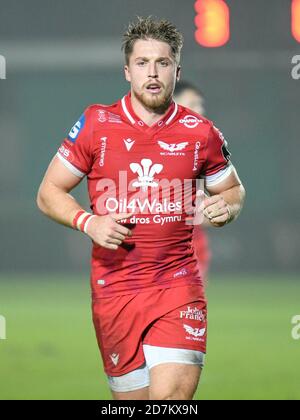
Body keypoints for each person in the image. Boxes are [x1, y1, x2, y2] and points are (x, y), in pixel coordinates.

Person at [37, 16, 245, 400]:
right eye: (143, 63)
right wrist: (89, 222)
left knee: (170, 402)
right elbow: (49, 192)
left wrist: (226, 208)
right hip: (114, 292)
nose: (153, 72)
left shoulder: (201, 132)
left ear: (176, 71)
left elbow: (232, 189)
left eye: (163, 63)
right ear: (127, 71)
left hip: (177, 284)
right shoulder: (96, 124)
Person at [174, 82, 210, 281]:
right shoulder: (143, 142)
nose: (200, 110)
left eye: (201, 105)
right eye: (193, 104)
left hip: (191, 244)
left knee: (187, 309)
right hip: (149, 247)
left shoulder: (206, 147)